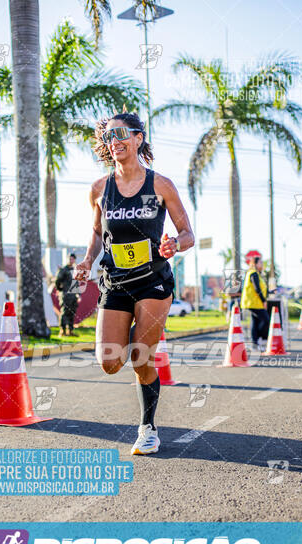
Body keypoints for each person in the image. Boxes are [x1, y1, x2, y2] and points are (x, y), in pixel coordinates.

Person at [74, 112, 194, 455]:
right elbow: (98, 233)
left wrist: (175, 244)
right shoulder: (99, 189)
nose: (115, 142)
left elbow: (188, 234)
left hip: (152, 280)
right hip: (115, 281)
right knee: (110, 362)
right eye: (109, 137)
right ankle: (132, 333)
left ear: (138, 138)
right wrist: (87, 259)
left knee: (142, 359)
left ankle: (148, 428)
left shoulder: (160, 185)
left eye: (121, 134)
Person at [240, 256, 269, 349]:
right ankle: (259, 339)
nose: (262, 265)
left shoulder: (256, 274)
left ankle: (255, 343)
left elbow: (261, 288)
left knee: (255, 322)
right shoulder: (253, 273)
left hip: (254, 303)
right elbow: (257, 288)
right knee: (266, 320)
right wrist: (264, 301)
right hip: (253, 303)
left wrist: (271, 291)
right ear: (255, 264)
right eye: (260, 263)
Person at [55, 253, 79, 336]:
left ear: (74, 260)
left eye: (72, 259)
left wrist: (78, 294)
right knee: (64, 312)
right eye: (69, 259)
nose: (71, 260)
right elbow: (57, 281)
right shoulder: (63, 270)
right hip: (65, 294)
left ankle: (70, 330)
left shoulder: (75, 270)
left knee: (72, 312)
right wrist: (60, 290)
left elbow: (76, 283)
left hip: (73, 295)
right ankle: (63, 330)